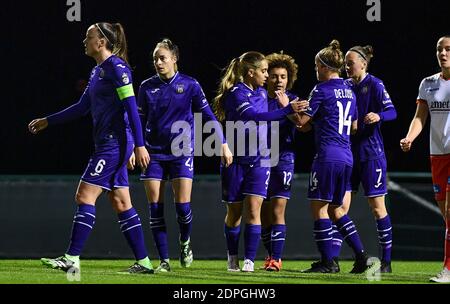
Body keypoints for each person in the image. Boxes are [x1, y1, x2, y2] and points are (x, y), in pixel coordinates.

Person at [28, 22, 154, 274]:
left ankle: (71, 258)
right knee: (121, 202)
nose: (84, 41)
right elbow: (81, 107)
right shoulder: (99, 71)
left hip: (113, 144)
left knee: (84, 195)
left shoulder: (118, 68)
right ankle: (144, 262)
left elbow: (132, 108)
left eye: (89, 37)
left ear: (102, 42)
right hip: (110, 142)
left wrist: (139, 145)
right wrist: (47, 121)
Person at [136, 38, 233, 272]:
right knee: (155, 209)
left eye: (163, 58)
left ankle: (184, 241)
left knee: (182, 207)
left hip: (182, 151)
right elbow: (137, 120)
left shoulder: (190, 85)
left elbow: (209, 116)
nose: (158, 62)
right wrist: (135, 146)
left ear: (174, 59)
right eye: (155, 59)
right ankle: (164, 261)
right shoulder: (146, 87)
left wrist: (223, 143)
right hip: (154, 153)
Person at [213, 51, 304, 272]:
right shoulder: (236, 93)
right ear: (250, 72)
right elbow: (254, 117)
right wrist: (287, 110)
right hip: (235, 160)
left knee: (254, 211)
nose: (267, 75)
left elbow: (291, 122)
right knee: (234, 213)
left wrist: (292, 111)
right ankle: (233, 257)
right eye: (264, 71)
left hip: (260, 160)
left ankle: (249, 262)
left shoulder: (263, 94)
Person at [296, 40, 372, 273]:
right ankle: (361, 257)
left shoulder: (320, 90)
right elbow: (354, 127)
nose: (315, 70)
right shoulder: (350, 91)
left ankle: (328, 262)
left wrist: (287, 106)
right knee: (336, 209)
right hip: (346, 156)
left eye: (317, 66)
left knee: (319, 208)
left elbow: (302, 124)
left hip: (327, 155)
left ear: (325, 67)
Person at [329, 45, 397, 273]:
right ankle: (336, 259)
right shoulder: (345, 86)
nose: (347, 67)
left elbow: (392, 111)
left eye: (350, 63)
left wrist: (379, 115)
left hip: (371, 155)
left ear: (363, 64)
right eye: (345, 63)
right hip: (349, 154)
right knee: (338, 207)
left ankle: (386, 263)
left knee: (377, 208)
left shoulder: (375, 84)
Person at [400, 35, 450, 283]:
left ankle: (448, 269)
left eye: (448, 49)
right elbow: (420, 117)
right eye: (439, 49)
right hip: (437, 154)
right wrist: (410, 137)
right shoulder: (428, 83)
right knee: (446, 216)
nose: (443, 53)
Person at [259, 52, 305, 272]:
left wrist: (286, 106)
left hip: (283, 158)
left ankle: (276, 259)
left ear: (289, 78)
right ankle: (270, 255)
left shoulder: (293, 100)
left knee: (278, 210)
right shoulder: (257, 98)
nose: (279, 80)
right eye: (275, 76)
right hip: (258, 159)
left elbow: (303, 126)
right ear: (267, 77)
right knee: (262, 213)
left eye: (283, 76)